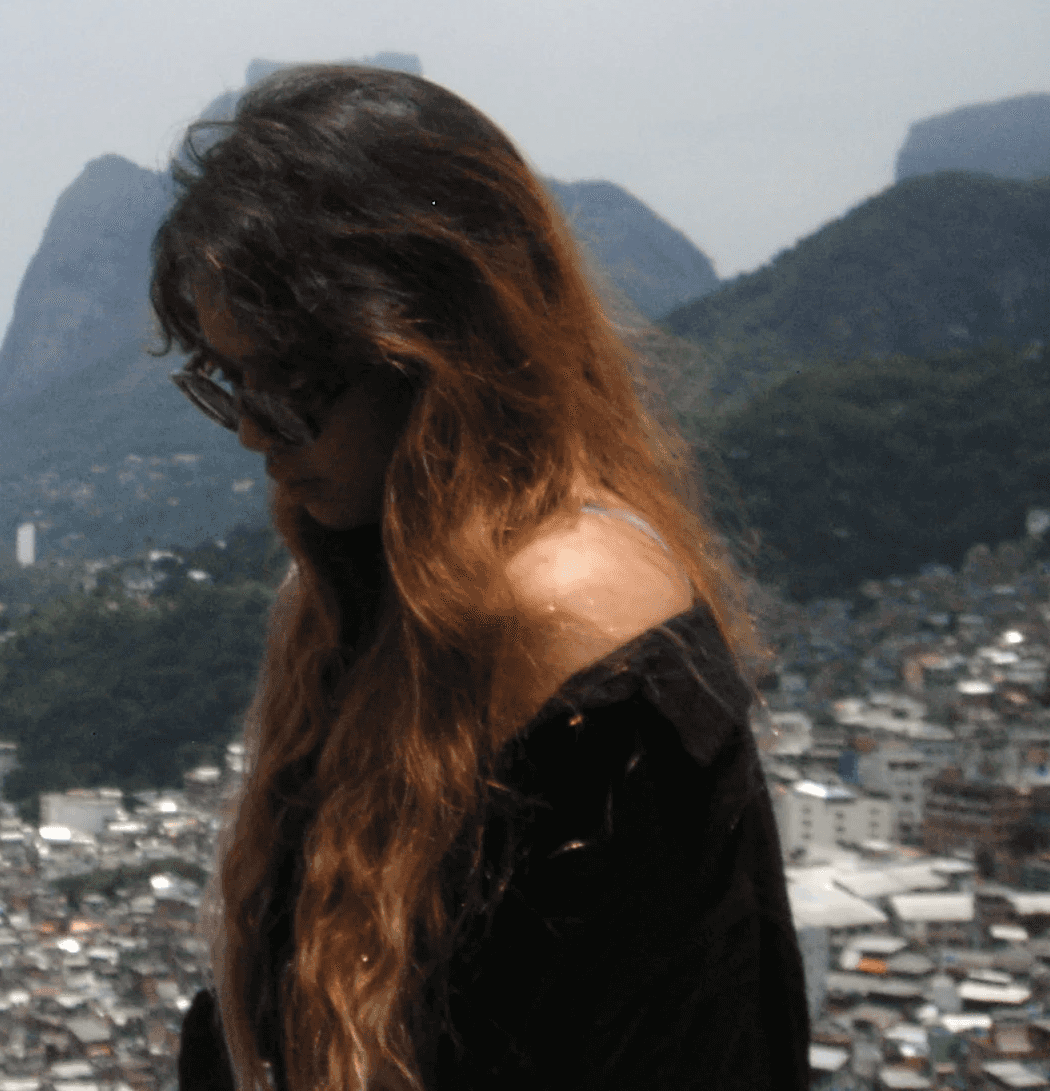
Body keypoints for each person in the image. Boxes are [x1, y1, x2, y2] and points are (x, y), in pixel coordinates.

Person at [149, 65, 808, 1091]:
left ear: (434, 347)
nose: (249, 430)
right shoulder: (359, 586)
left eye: (293, 380)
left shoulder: (577, 620)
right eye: (232, 379)